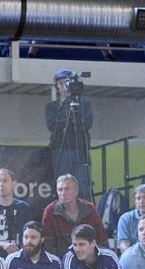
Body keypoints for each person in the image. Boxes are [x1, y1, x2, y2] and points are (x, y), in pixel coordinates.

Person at [45, 69, 93, 201]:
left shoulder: (84, 103)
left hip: (80, 149)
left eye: (67, 82)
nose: (64, 86)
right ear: (57, 86)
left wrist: (66, 123)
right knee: (62, 186)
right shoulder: (52, 106)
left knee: (83, 186)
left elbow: (87, 123)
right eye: (60, 83)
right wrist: (72, 121)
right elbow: (52, 126)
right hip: (60, 149)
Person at [42, 174, 108, 257]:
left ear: (76, 191)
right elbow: (48, 243)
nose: (63, 193)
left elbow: (102, 239)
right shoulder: (50, 211)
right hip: (61, 260)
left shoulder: (89, 209)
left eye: (67, 189)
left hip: (89, 260)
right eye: (60, 190)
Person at [0, 168, 32, 258]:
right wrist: (2, 244)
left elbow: (30, 235)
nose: (1, 184)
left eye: (5, 181)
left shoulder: (23, 207)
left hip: (19, 257)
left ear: (14, 184)